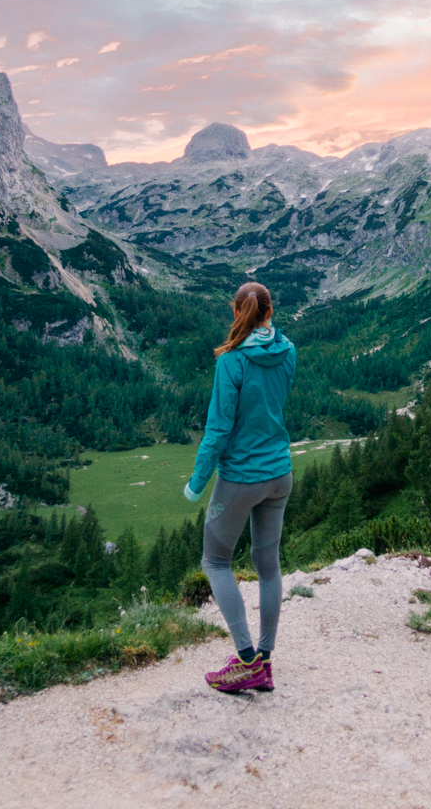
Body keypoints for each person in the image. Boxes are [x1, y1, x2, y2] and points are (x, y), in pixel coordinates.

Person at [183, 280, 296, 693]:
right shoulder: (289, 352)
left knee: (215, 562)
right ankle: (264, 662)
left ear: (236, 313)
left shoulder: (230, 362)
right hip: (280, 475)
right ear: (270, 313)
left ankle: (246, 660)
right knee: (269, 567)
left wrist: (196, 484)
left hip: (241, 479)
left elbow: (217, 430)